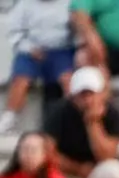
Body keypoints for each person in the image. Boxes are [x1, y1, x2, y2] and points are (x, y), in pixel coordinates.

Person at [43, 65, 119, 178]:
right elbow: (48, 153)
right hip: (66, 176)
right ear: (73, 96)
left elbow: (107, 156)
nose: (87, 100)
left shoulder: (112, 113)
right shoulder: (58, 112)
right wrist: (78, 169)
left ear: (101, 94)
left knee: (114, 171)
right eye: (82, 95)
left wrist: (93, 123)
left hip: (95, 175)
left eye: (91, 94)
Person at [1, 0, 77, 138]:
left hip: (62, 50)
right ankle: (8, 119)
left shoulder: (69, 4)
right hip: (31, 50)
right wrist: (30, 48)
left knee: (68, 80)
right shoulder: (24, 4)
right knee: (21, 79)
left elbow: (76, 31)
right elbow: (14, 32)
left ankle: (72, 119)